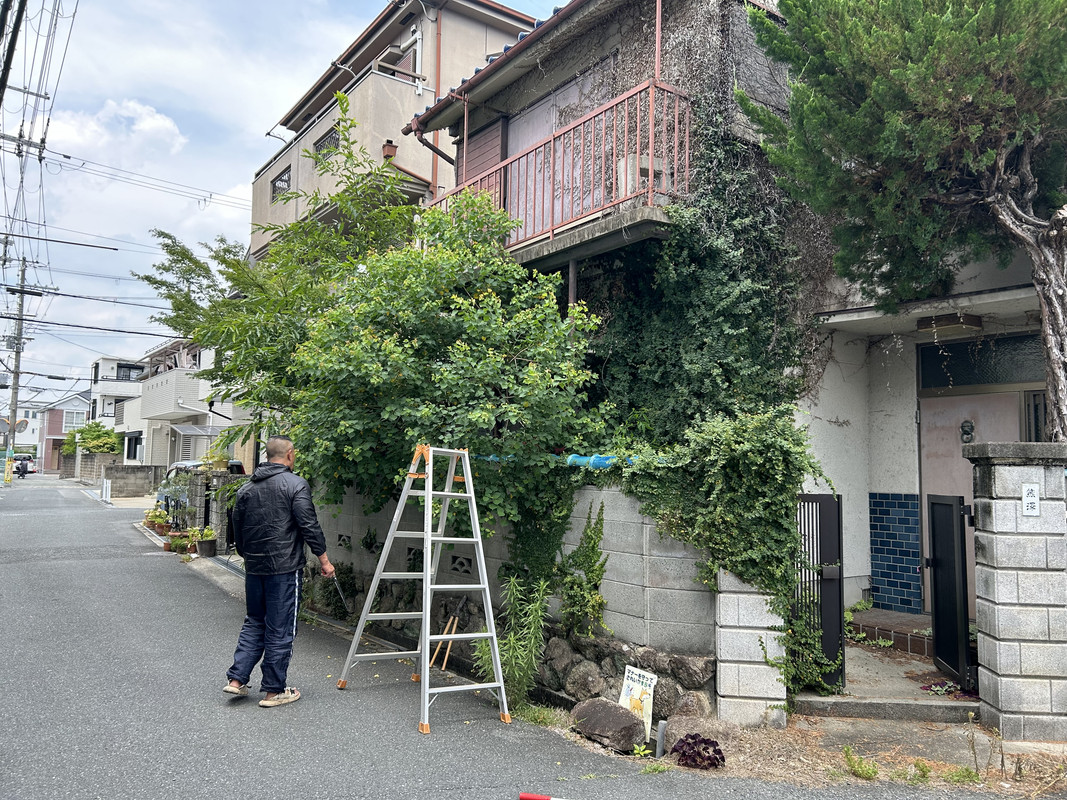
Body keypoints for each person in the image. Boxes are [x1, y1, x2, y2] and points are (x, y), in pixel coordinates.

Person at [224, 435, 334, 708]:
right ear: (290, 454)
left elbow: (236, 527)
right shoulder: (296, 484)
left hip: (255, 567)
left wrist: (248, 556)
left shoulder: (247, 488)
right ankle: (274, 691)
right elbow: (308, 525)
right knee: (280, 627)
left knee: (255, 621)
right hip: (284, 568)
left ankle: (237, 680)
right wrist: (324, 560)